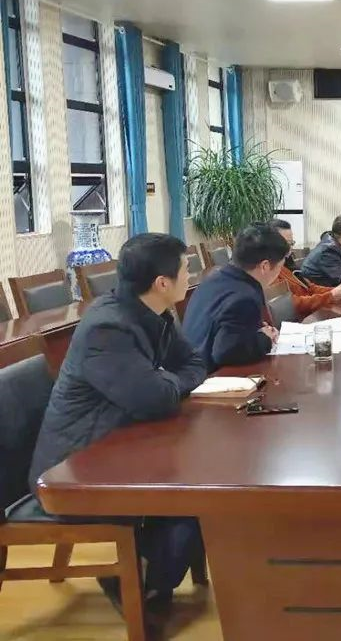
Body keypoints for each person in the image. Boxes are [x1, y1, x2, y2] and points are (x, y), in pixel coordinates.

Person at [29, 233, 207, 613]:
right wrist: (165, 384)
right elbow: (155, 399)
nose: (191, 275)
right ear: (162, 283)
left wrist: (165, 381)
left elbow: (194, 363)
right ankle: (135, 583)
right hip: (77, 468)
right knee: (197, 505)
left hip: (121, 445)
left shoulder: (155, 313)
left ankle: (146, 573)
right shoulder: (107, 328)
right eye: (185, 269)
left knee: (204, 493)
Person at [182, 223, 289, 371]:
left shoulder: (217, 278)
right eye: (280, 267)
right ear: (265, 266)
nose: (279, 272)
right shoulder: (244, 297)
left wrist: (253, 331)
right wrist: (265, 339)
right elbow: (226, 352)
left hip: (189, 367)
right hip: (208, 377)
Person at [271, 219, 341, 318]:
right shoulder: (271, 271)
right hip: (299, 320)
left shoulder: (287, 265)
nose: (290, 248)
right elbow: (291, 304)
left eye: (291, 243)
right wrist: (330, 296)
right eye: (286, 243)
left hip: (310, 314)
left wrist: (336, 291)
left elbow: (309, 287)